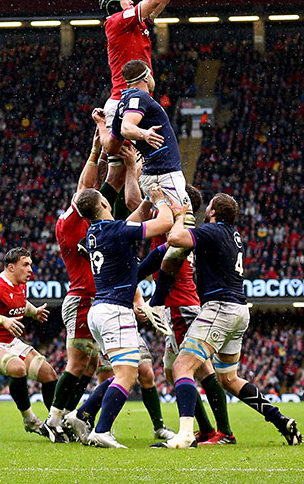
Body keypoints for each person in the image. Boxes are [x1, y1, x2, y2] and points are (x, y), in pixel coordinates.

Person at [155, 192, 301, 449]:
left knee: (182, 368)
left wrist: (179, 215)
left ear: (212, 212)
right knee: (229, 379)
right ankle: (279, 419)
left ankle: (186, 434)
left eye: (207, 207)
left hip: (219, 309)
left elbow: (175, 238)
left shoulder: (213, 231)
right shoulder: (233, 235)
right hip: (239, 311)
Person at [43, 130, 141, 440]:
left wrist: (123, 164)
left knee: (87, 367)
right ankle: (53, 419)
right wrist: (96, 148)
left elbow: (107, 187)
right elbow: (87, 188)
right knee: (77, 362)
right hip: (81, 297)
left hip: (94, 299)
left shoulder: (94, 226)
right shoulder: (69, 222)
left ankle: (72, 416)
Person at [69, 182, 176, 448]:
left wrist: (146, 203)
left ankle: (82, 414)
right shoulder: (116, 230)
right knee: (128, 375)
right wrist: (160, 200)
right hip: (115, 310)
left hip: (100, 311)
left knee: (123, 372)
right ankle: (102, 431)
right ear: (105, 204)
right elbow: (163, 224)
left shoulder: (95, 232)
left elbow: (130, 221)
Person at [139, 185, 237, 445]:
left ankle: (222, 432)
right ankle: (209, 429)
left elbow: (159, 256)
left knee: (196, 369)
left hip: (179, 304)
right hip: (182, 302)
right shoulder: (183, 226)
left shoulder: (172, 225)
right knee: (173, 372)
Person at [0, 247, 58, 439]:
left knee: (49, 373)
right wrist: (3, 320)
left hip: (11, 342)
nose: (30, 270)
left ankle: (55, 424)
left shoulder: (20, 284)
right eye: (25, 265)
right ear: (11, 267)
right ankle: (30, 420)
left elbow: (20, 304)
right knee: (18, 367)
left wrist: (34, 312)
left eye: (31, 265)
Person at [97, 59, 188, 209]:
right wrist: (144, 134)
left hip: (150, 174)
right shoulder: (139, 96)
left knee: (156, 224)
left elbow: (110, 148)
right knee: (183, 220)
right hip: (166, 174)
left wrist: (101, 124)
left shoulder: (122, 105)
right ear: (146, 77)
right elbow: (127, 127)